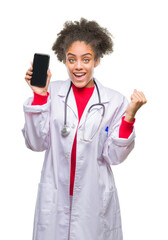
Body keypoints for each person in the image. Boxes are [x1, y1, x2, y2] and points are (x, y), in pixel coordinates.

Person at [23, 18, 147, 240]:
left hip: (94, 201)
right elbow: (35, 143)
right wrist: (39, 96)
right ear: (65, 60)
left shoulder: (114, 101)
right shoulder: (51, 94)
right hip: (55, 200)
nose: (78, 66)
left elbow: (114, 156)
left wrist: (129, 116)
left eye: (86, 59)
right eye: (72, 60)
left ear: (96, 61)